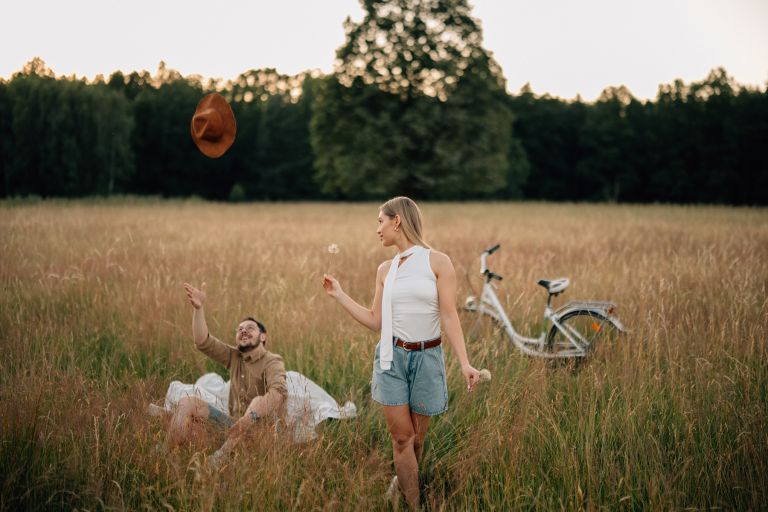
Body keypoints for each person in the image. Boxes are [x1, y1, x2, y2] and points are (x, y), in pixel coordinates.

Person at [322, 196, 481, 509]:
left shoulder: (438, 261)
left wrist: (465, 363)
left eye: (380, 220)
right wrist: (339, 295)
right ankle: (414, 503)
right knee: (402, 439)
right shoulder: (385, 269)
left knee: (417, 440)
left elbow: (449, 314)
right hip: (391, 358)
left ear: (397, 220)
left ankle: (401, 478)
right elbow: (375, 320)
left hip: (428, 358)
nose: (377, 229)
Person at [168, 282, 288, 467]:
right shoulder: (234, 356)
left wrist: (249, 419)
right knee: (188, 402)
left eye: (250, 328)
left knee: (257, 401)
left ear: (263, 337)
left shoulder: (272, 361)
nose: (243, 331)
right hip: (232, 427)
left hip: (263, 433)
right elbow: (202, 342)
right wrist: (199, 309)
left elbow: (278, 394)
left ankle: (219, 458)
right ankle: (165, 451)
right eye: (239, 329)